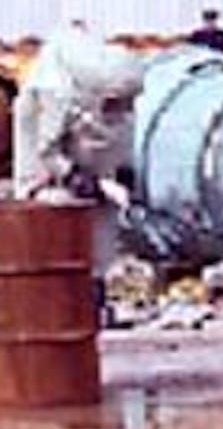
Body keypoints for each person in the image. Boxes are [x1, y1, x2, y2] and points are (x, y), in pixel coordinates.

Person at [12, 25, 147, 323]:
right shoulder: (55, 94)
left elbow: (119, 138)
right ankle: (55, 304)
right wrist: (74, 176)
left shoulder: (119, 97)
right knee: (58, 214)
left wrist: (123, 173)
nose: (121, 110)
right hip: (46, 175)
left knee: (104, 224)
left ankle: (94, 299)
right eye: (114, 104)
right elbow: (47, 150)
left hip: (91, 163)